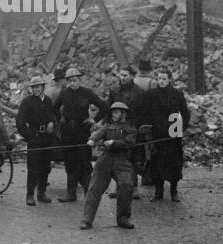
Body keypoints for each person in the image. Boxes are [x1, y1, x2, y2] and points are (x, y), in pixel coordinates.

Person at [52, 67, 107, 203]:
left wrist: (94, 119)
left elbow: (104, 106)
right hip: (67, 133)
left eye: (75, 80)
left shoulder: (86, 92)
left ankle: (89, 193)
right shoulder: (64, 93)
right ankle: (71, 193)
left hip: (82, 132)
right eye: (70, 81)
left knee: (84, 161)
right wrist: (61, 119)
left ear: (79, 80)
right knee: (70, 162)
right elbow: (54, 107)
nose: (73, 83)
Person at [80, 103, 139, 230]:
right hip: (105, 159)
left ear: (123, 114)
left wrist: (114, 143)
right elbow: (99, 133)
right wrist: (92, 139)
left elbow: (129, 143)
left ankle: (123, 219)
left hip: (122, 160)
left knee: (126, 186)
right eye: (113, 112)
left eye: (117, 112)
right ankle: (87, 220)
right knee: (94, 188)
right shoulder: (108, 126)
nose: (114, 114)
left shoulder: (130, 128)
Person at [140, 68, 190, 202]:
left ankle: (174, 191)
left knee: (174, 163)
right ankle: (158, 192)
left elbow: (185, 114)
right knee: (156, 163)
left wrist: (180, 129)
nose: (161, 81)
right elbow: (145, 114)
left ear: (170, 80)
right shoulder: (150, 95)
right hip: (157, 135)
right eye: (159, 79)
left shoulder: (177, 95)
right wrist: (148, 131)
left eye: (164, 79)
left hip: (172, 136)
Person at [104, 66, 144, 200]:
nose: (123, 77)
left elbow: (142, 112)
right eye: (121, 75)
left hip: (132, 127)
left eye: (126, 75)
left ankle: (133, 188)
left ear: (132, 76)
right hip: (116, 128)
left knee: (132, 158)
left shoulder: (139, 92)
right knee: (118, 158)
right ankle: (119, 187)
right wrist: (107, 124)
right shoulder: (114, 90)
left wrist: (136, 128)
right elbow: (109, 109)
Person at [15, 74, 56, 205]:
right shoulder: (27, 102)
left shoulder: (48, 101)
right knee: (33, 167)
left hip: (47, 139)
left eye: (38, 87)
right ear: (31, 89)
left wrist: (52, 123)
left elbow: (53, 116)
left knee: (45, 166)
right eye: (34, 87)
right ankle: (30, 195)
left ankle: (42, 193)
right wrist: (29, 137)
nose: (36, 90)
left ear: (43, 87)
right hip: (35, 138)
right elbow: (20, 123)